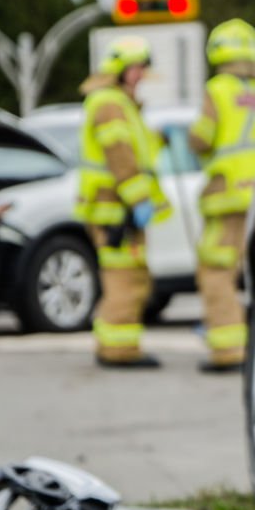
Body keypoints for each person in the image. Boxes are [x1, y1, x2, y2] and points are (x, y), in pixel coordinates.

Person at [189, 19, 255, 373]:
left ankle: (228, 350)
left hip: (227, 196)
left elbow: (203, 137)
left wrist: (187, 138)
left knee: (215, 270)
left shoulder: (220, 89)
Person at [76, 36, 171, 368]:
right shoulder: (110, 103)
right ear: (119, 70)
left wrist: (159, 139)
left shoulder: (117, 102)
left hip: (116, 208)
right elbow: (119, 155)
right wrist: (138, 200)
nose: (140, 75)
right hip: (114, 210)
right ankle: (119, 350)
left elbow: (135, 151)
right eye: (135, 69)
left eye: (142, 69)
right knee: (124, 279)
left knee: (127, 277)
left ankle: (112, 343)